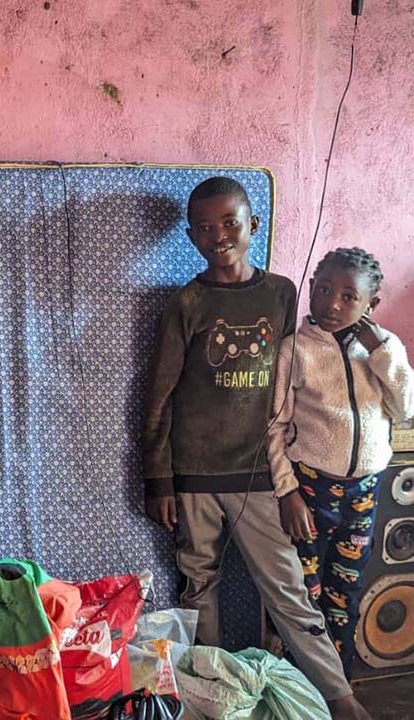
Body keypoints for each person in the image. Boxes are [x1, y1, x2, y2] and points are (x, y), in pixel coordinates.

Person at [141, 177, 370, 719]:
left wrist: (290, 478)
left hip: (262, 475)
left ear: (253, 226)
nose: (217, 235)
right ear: (192, 237)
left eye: (229, 223)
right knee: (199, 588)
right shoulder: (187, 302)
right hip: (194, 476)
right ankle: (218, 697)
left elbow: (295, 381)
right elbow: (159, 396)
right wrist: (159, 479)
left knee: (287, 588)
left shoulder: (283, 294)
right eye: (203, 228)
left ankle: (340, 696)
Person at [268, 247, 414, 676]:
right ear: (310, 289)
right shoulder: (295, 351)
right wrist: (287, 491)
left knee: (344, 595)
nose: (332, 303)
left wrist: (382, 350)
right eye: (325, 290)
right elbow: (274, 427)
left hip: (364, 493)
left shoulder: (385, 350)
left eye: (349, 296)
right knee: (305, 593)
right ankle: (302, 681)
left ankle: (339, 682)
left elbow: (405, 409)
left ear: (372, 305)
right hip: (311, 490)